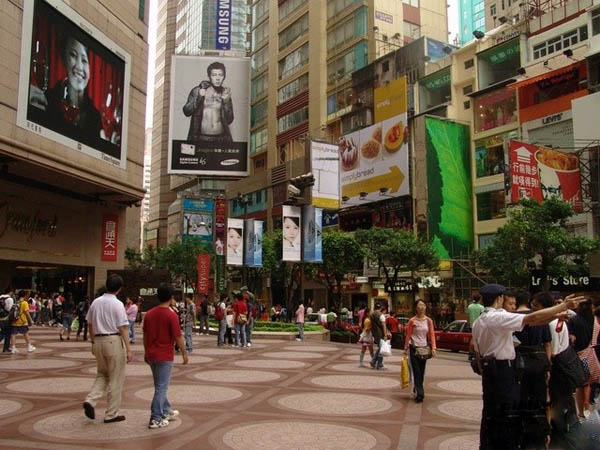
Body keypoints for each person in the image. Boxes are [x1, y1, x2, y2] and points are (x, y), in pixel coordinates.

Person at [471, 283, 584, 450]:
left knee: (491, 415)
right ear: (499, 298)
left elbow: (531, 322)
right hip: (502, 372)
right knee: (507, 416)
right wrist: (563, 305)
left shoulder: (481, 320)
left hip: (490, 373)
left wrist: (555, 316)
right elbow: (531, 318)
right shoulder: (497, 318)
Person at [28, 37, 111, 147]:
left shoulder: (96, 118)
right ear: (64, 59)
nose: (79, 67)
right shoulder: (47, 101)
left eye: (84, 60)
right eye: (73, 55)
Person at [83, 274, 132, 423]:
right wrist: (129, 349)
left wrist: (92, 341)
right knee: (116, 378)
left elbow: (89, 323)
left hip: (98, 341)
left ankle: (91, 400)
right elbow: (123, 328)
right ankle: (111, 414)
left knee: (102, 374)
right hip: (113, 341)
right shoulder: (117, 304)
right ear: (119, 288)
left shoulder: (96, 302)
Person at [143, 283, 188, 429]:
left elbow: (145, 334)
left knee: (159, 385)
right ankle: (155, 417)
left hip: (151, 354)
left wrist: (146, 351)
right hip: (164, 355)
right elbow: (178, 336)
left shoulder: (149, 314)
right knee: (161, 387)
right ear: (171, 297)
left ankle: (166, 410)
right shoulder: (171, 315)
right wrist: (184, 353)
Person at [511, 290, 552, 448]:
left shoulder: (512, 318)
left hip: (518, 363)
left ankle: (520, 433)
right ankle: (538, 435)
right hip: (538, 362)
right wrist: (547, 366)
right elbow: (547, 343)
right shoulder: (540, 317)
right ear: (529, 301)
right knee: (538, 399)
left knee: (519, 399)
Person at [183, 61, 233, 144]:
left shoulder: (225, 93)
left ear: (224, 76)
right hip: (200, 138)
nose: (217, 78)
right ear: (209, 76)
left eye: (220, 75)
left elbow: (229, 120)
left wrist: (226, 101)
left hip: (222, 138)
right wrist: (199, 97)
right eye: (214, 75)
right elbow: (186, 111)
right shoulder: (197, 91)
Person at [404, 300, 436, 403]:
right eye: (419, 305)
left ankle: (417, 388)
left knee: (422, 372)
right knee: (416, 371)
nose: (422, 307)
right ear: (416, 308)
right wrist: (405, 348)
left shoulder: (428, 321)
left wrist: (434, 348)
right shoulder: (412, 321)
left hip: (424, 349)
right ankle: (420, 394)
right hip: (414, 348)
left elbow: (431, 334)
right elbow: (408, 335)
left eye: (423, 305)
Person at [567, 297, 594, 420]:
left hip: (579, 355)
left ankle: (582, 412)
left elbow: (571, 339)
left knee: (581, 384)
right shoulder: (595, 320)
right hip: (595, 354)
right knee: (591, 383)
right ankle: (589, 406)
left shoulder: (573, 320)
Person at [369, 301, 390, 370]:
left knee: (380, 347)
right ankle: (379, 364)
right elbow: (383, 325)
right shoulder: (381, 315)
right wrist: (385, 335)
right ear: (381, 307)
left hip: (375, 333)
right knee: (382, 348)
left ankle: (373, 361)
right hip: (380, 333)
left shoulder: (372, 314)